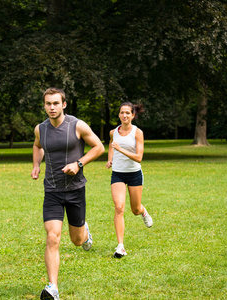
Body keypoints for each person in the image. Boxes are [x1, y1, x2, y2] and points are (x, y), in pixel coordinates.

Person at [31, 87, 105, 300]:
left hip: (75, 190)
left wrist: (78, 163)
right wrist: (36, 164)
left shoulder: (77, 125)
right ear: (44, 105)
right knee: (52, 237)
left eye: (56, 103)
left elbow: (98, 147)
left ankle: (84, 231)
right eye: (48, 104)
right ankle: (52, 288)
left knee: (76, 240)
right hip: (52, 190)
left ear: (64, 104)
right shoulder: (40, 129)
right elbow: (37, 146)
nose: (52, 107)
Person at [106, 102, 153, 258]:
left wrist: (121, 149)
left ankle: (143, 211)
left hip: (134, 174)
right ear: (119, 114)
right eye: (121, 112)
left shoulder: (137, 133)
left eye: (127, 113)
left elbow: (139, 158)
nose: (124, 115)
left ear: (133, 115)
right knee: (119, 207)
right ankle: (120, 247)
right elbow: (112, 146)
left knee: (134, 210)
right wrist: (110, 159)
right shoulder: (113, 132)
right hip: (117, 174)